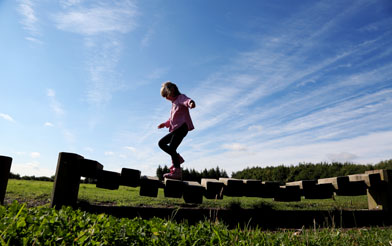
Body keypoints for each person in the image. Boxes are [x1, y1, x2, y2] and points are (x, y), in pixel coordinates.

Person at [158, 81, 196, 180]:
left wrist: (191, 103)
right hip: (176, 129)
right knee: (161, 143)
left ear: (172, 91)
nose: (166, 98)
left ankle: (177, 171)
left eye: (166, 95)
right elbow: (172, 119)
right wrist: (165, 124)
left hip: (182, 128)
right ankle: (177, 159)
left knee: (172, 148)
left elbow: (187, 100)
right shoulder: (174, 103)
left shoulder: (180, 98)